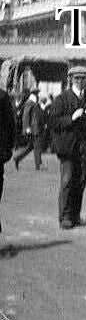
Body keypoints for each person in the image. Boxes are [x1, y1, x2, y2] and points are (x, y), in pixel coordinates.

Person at [49, 66, 86, 229]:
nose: (80, 81)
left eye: (83, 78)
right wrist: (71, 118)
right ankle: (64, 217)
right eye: (77, 78)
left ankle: (75, 216)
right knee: (67, 181)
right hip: (67, 147)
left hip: (84, 148)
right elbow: (53, 122)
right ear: (71, 79)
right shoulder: (62, 99)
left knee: (81, 181)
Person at [13, 88, 45, 170]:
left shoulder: (33, 103)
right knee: (37, 147)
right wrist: (27, 128)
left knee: (30, 147)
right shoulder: (30, 103)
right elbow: (26, 116)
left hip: (35, 128)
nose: (38, 95)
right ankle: (38, 165)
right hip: (34, 129)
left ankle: (17, 158)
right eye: (37, 94)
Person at [0, 86, 15, 233]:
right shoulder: (2, 96)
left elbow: (9, 127)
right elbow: (10, 126)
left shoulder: (2, 97)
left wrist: (6, 152)